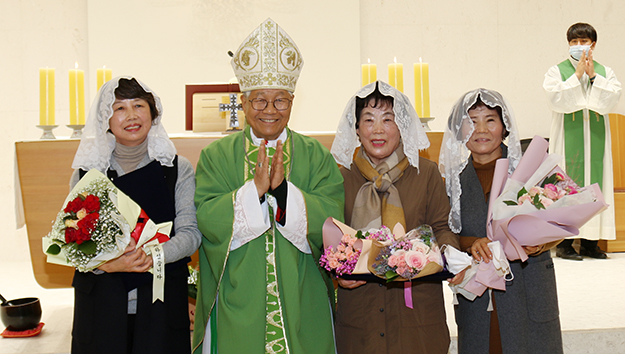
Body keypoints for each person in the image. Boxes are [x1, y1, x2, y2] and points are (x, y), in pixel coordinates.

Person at [192, 18, 344, 354]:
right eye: (260, 100)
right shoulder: (217, 155)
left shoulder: (315, 154)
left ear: (292, 101)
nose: (270, 111)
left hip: (302, 295)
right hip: (237, 298)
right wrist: (252, 192)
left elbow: (333, 219)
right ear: (243, 102)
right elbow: (206, 217)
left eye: (281, 101)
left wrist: (284, 193)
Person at [69, 76, 202, 354]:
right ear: (105, 118)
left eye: (139, 105)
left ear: (153, 114)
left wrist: (150, 256)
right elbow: (75, 243)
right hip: (101, 304)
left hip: (160, 303)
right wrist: (109, 262)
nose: (131, 116)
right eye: (119, 108)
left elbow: (191, 234)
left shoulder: (177, 169)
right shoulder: (88, 174)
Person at [330, 81, 462, 354]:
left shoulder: (425, 174)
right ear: (356, 128)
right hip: (360, 310)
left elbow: (442, 227)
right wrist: (337, 274)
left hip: (416, 311)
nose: (377, 130)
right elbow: (331, 244)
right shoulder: (340, 180)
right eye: (368, 119)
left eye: (388, 120)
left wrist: (449, 255)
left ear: (402, 126)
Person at [439, 88, 563, 353]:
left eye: (490, 120)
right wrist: (472, 243)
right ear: (459, 131)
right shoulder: (452, 184)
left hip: (528, 287)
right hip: (478, 294)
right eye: (471, 121)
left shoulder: (532, 170)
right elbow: (443, 233)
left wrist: (540, 244)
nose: (480, 129)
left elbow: (561, 222)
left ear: (504, 126)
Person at [543, 22, 622, 260]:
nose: (579, 46)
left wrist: (593, 76)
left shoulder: (605, 72)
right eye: (574, 42)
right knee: (567, 184)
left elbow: (611, 99)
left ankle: (590, 243)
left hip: (595, 138)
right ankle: (565, 243)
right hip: (568, 140)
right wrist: (577, 76)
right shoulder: (556, 71)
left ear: (593, 44)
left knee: (596, 186)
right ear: (568, 44)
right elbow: (556, 99)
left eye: (583, 41)